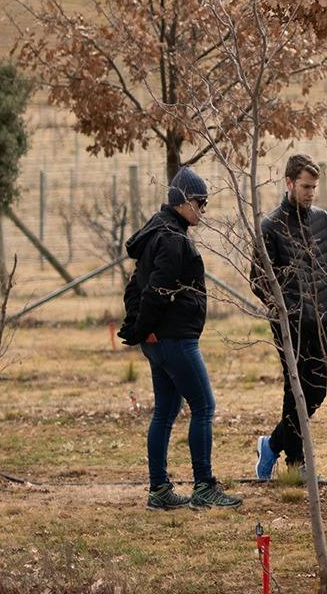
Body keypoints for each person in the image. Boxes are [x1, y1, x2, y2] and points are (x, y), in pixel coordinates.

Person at [122, 166, 242, 511]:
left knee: (166, 410)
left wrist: (140, 329)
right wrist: (142, 327)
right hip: (175, 340)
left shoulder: (158, 232)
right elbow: (155, 291)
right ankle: (204, 485)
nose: (202, 210)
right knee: (204, 406)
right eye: (198, 202)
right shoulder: (172, 239)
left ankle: (159, 490)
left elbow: (136, 286)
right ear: (180, 200)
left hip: (162, 340)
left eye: (204, 203)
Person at [252, 155, 327, 483]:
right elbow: (258, 279)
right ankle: (295, 460)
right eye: (304, 186)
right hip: (288, 323)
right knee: (295, 388)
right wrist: (286, 309)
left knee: (316, 390)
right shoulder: (271, 226)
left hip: (319, 321)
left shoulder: (322, 220)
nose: (310, 193)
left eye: (314, 187)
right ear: (289, 183)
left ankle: (271, 444)